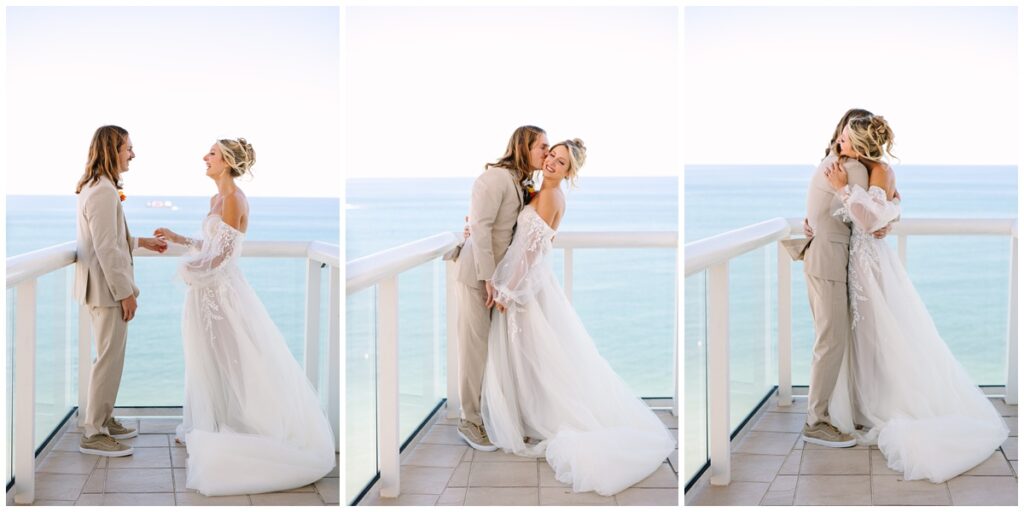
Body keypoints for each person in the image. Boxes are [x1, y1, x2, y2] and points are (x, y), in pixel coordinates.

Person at [481, 139, 675, 496]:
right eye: (551, 156)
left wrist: (508, 289)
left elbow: (530, 252)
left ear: (570, 172)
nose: (553, 162)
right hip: (525, 284)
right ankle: (527, 415)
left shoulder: (552, 197)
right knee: (532, 356)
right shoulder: (538, 192)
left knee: (532, 356)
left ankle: (539, 418)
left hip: (526, 288)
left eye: (561, 162)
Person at [823, 115, 1008, 482]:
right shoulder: (860, 170)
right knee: (865, 338)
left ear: (859, 143)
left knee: (881, 334)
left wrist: (845, 190)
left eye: (844, 140)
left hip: (871, 266)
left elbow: (870, 221)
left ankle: (887, 404)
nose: (838, 145)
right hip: (857, 263)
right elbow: (876, 216)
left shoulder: (880, 171)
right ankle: (863, 403)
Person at [154, 138, 335, 496]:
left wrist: (187, 270)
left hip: (222, 296)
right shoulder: (215, 200)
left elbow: (222, 258)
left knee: (232, 359)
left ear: (227, 163)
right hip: (206, 294)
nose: (204, 158)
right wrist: (180, 240)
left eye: (212, 154)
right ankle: (215, 420)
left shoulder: (235, 199)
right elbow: (210, 246)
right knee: (206, 359)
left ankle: (244, 426)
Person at [453, 125, 549, 451]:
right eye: (542, 147)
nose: (547, 154)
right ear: (524, 146)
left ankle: (494, 416)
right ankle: (468, 420)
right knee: (474, 349)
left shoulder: (520, 182)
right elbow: (480, 227)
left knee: (497, 350)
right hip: (478, 278)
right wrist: (489, 279)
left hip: (499, 280)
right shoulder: (494, 179)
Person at [75, 125, 167, 457]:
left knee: (111, 358)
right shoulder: (102, 191)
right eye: (128, 147)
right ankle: (94, 432)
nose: (133, 153)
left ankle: (104, 417)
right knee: (108, 360)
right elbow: (106, 248)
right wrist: (125, 292)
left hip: (102, 288)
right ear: (112, 150)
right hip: (106, 290)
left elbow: (113, 238)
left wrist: (141, 241)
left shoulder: (97, 186)